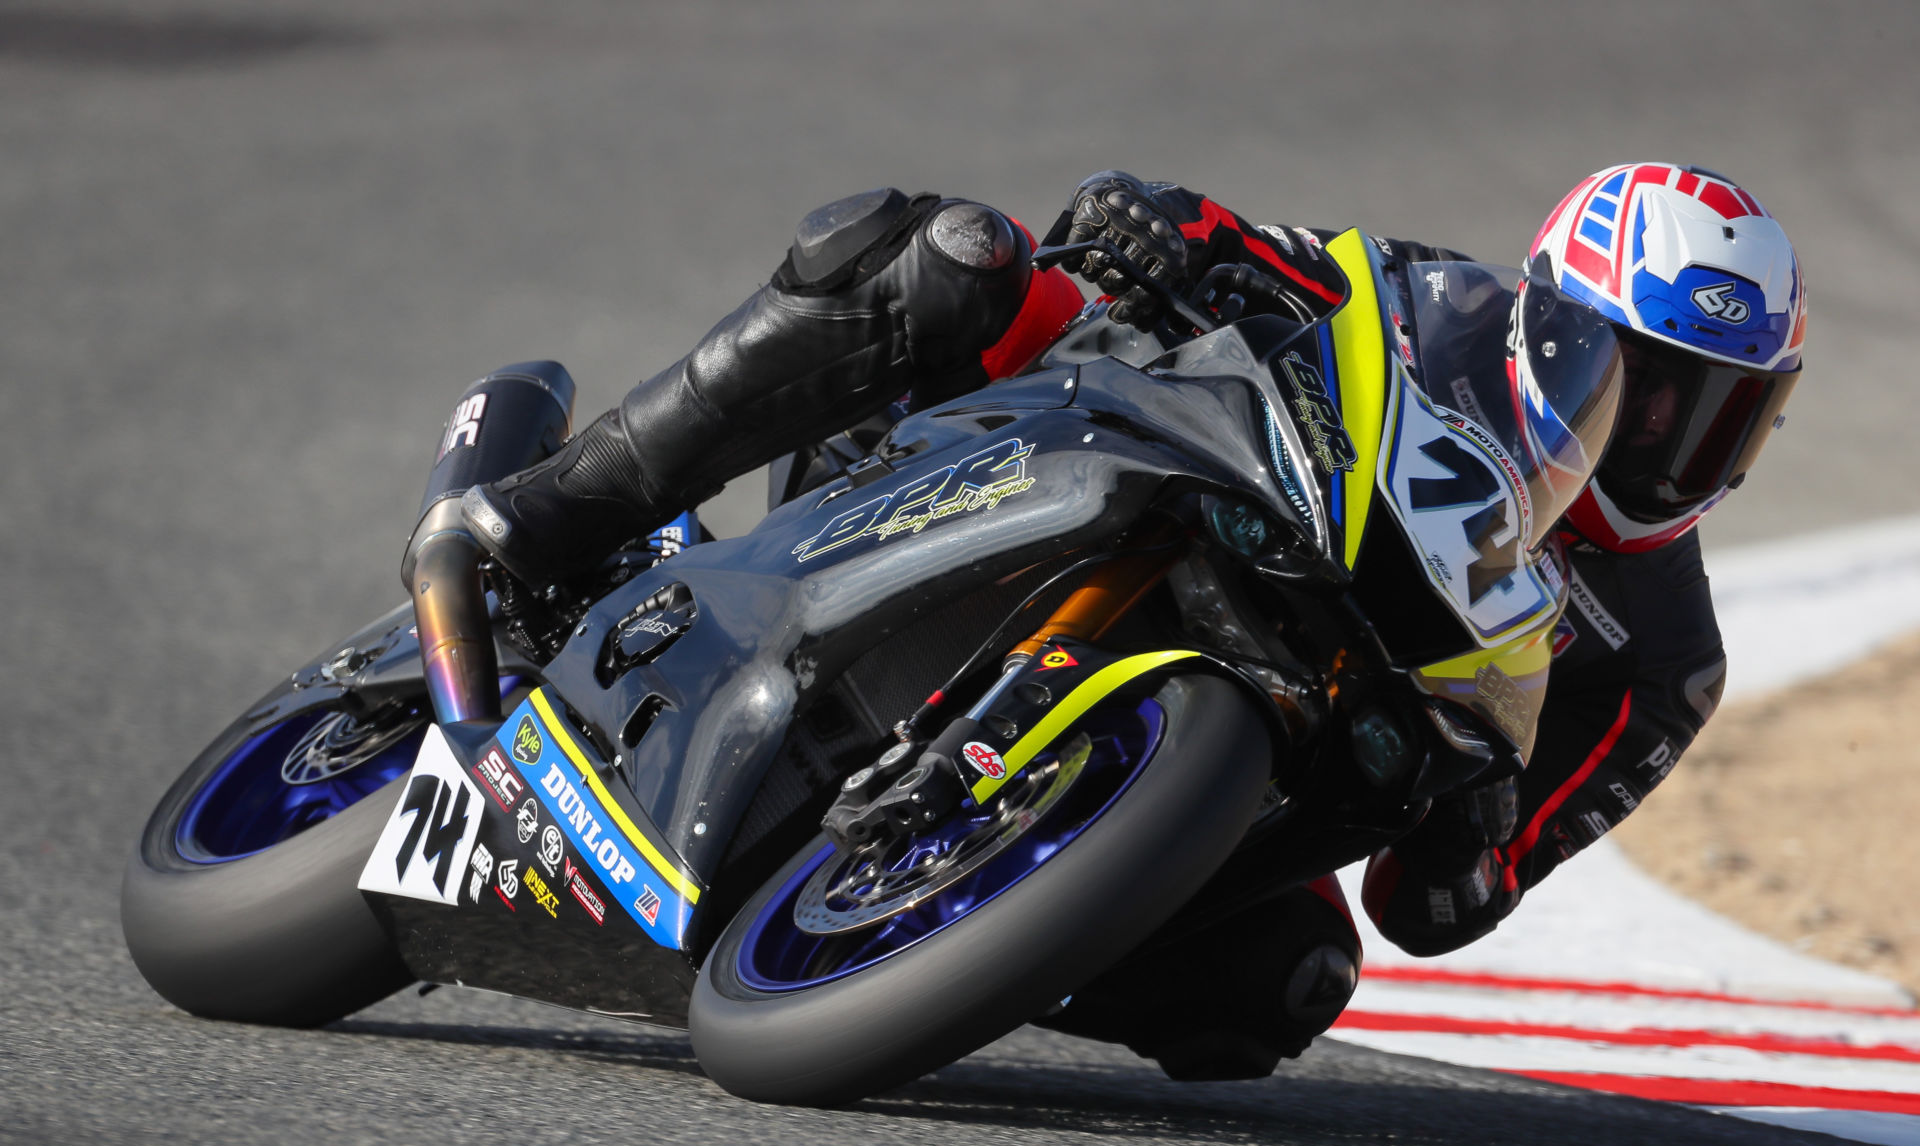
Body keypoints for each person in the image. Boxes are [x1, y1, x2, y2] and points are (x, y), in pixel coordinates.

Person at [460, 164, 1807, 1077]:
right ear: (1550, 313)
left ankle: (939, 934)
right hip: (1102, 488)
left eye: (1719, 409)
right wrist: (1154, 226)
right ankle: (550, 515)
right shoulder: (1429, 306)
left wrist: (1470, 839)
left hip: (1291, 715)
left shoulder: (1663, 667)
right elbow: (1235, 246)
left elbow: (1441, 910)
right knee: (951, 254)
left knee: (1282, 986)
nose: (1665, 433)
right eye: (1643, 382)